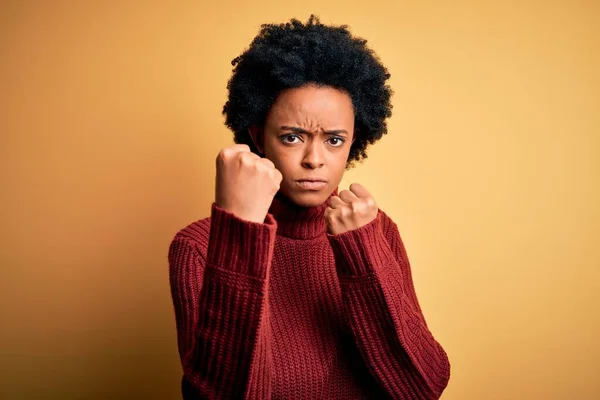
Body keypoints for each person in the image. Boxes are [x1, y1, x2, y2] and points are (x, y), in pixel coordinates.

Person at [168, 15, 450, 399]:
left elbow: (421, 389)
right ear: (258, 137)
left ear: (355, 140)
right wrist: (239, 230)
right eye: (292, 137)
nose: (314, 159)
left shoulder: (376, 230)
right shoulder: (199, 247)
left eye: (334, 140)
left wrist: (364, 253)